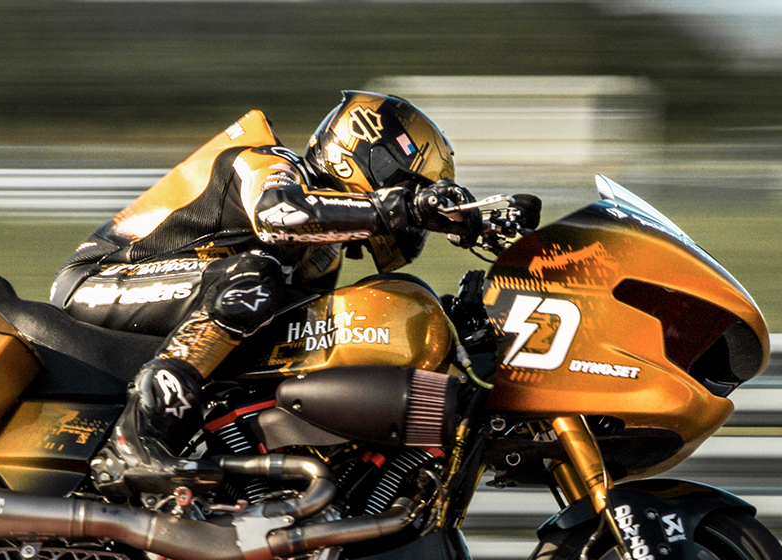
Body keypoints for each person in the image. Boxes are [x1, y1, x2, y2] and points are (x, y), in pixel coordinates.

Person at [53, 91, 481, 497]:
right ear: (367, 155)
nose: (414, 204)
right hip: (102, 278)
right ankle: (137, 438)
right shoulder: (272, 162)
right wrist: (400, 208)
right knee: (254, 275)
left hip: (181, 295)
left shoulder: (322, 257)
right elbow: (279, 213)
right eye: (407, 184)